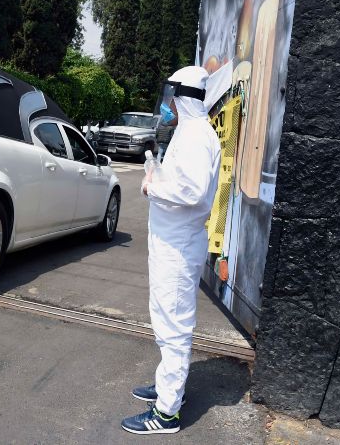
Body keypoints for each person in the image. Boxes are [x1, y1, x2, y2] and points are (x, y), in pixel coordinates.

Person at [121, 66, 221, 435]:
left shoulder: (196, 135)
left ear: (182, 97)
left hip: (178, 248)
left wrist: (151, 188)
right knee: (165, 321)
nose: (166, 104)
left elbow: (192, 192)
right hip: (170, 243)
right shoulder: (189, 132)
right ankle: (169, 390)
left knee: (174, 326)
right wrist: (158, 173)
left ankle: (166, 414)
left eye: (170, 96)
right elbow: (183, 180)